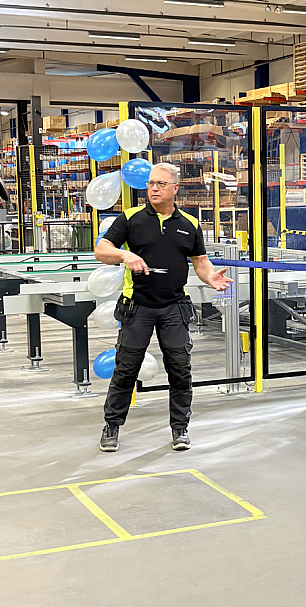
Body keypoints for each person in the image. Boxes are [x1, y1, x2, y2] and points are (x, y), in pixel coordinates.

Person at [94, 162, 232, 453]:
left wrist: (210, 276)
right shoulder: (130, 218)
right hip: (138, 307)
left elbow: (200, 261)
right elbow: (101, 249)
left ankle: (180, 428)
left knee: (180, 370)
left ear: (175, 188)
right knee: (126, 369)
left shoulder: (189, 224)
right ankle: (112, 426)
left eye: (160, 184)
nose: (154, 189)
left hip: (174, 307)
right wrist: (124, 255)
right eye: (150, 184)